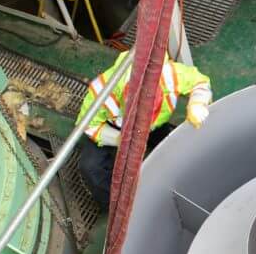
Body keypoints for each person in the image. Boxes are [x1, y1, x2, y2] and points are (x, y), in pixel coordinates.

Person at [77, 51, 212, 209]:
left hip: (155, 125)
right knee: (90, 167)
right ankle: (112, 204)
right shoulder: (103, 91)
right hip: (117, 128)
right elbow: (87, 124)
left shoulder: (170, 75)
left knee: (175, 149)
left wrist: (197, 103)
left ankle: (182, 180)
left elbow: (200, 82)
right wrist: (118, 139)